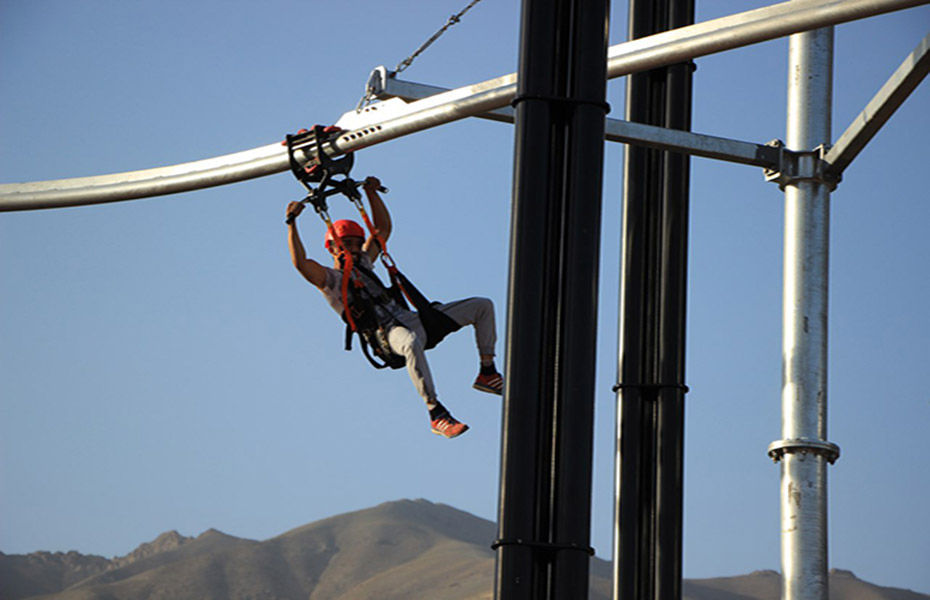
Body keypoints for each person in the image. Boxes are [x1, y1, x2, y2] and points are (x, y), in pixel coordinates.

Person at [285, 176, 503, 439]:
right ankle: (435, 411)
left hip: (414, 320)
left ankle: (487, 372)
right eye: (347, 244)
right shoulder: (329, 280)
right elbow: (300, 264)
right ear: (332, 248)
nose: (354, 249)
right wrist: (292, 224)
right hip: (387, 335)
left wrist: (371, 194)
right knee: (410, 342)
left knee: (481, 306)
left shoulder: (365, 262)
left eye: (356, 243)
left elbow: (383, 230)